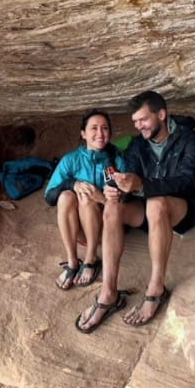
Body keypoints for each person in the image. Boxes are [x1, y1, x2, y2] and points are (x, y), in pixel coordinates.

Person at [77, 91, 195, 332]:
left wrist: (142, 185)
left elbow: (187, 181)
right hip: (147, 210)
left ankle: (156, 288)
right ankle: (108, 293)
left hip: (184, 209)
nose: (139, 126)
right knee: (114, 206)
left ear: (161, 114)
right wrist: (119, 189)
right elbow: (132, 176)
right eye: (135, 121)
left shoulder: (190, 140)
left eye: (143, 120)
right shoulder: (138, 145)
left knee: (157, 202)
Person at [44, 110, 118, 290]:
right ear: (83, 133)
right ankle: (72, 261)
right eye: (93, 128)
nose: (100, 134)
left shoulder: (115, 159)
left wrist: (101, 198)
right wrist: (72, 183)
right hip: (78, 230)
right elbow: (49, 197)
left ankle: (91, 258)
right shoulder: (71, 160)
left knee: (86, 199)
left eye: (105, 128)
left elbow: (126, 200)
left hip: (105, 227)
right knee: (65, 195)